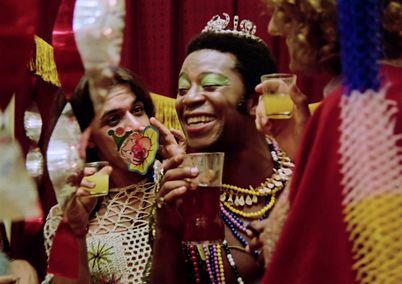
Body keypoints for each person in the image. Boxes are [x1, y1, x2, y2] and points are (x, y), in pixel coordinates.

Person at [246, 0, 402, 283]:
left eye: (287, 16)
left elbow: (319, 265)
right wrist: (305, 141)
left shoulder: (356, 106)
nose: (274, 28)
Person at [150, 14, 295, 284]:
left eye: (210, 85)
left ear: (254, 101)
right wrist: (167, 231)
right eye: (182, 89)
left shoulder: (303, 175)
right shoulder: (180, 192)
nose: (189, 99)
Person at [43, 67, 185, 283]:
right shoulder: (65, 213)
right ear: (87, 138)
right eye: (113, 120)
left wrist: (188, 172)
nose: (136, 126)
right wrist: (75, 231)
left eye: (137, 110)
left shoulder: (177, 185)